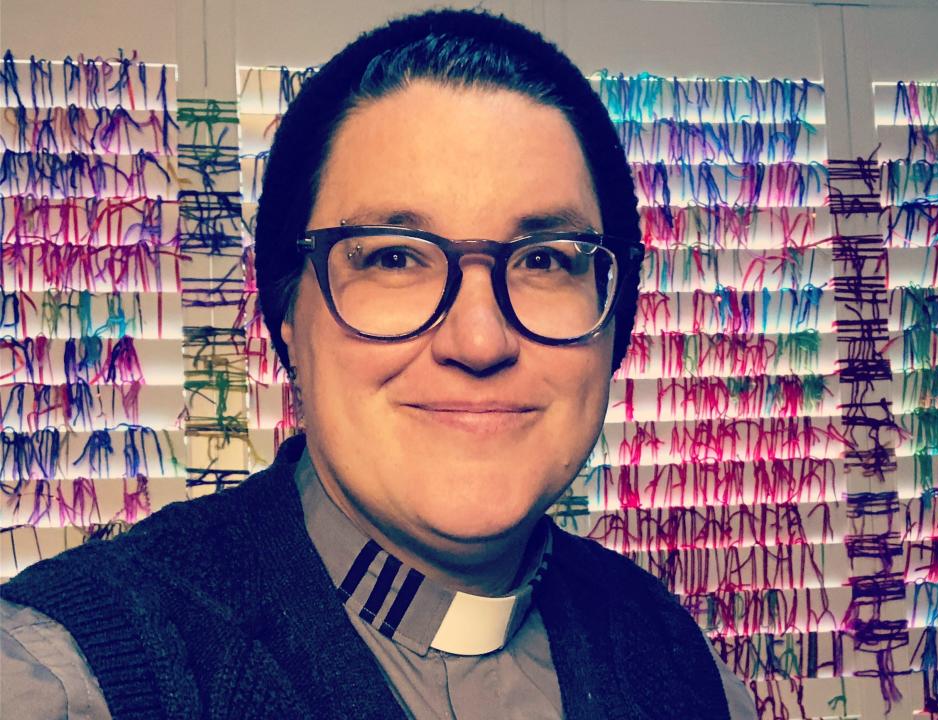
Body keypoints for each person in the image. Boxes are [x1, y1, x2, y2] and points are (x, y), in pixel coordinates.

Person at [1, 8, 756, 719]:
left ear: (613, 320)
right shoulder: (72, 673)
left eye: (545, 259)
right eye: (395, 258)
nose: (481, 340)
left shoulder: (683, 666)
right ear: (288, 319)